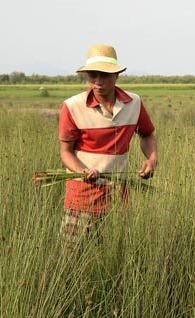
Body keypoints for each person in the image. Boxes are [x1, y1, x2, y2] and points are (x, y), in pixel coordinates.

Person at [58, 44, 158, 241]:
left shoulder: (134, 103)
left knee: (115, 257)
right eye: (92, 75)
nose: (97, 81)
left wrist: (152, 159)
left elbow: (147, 134)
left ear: (117, 75)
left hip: (118, 198)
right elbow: (66, 152)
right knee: (72, 255)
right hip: (81, 197)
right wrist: (82, 170)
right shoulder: (72, 106)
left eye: (104, 75)